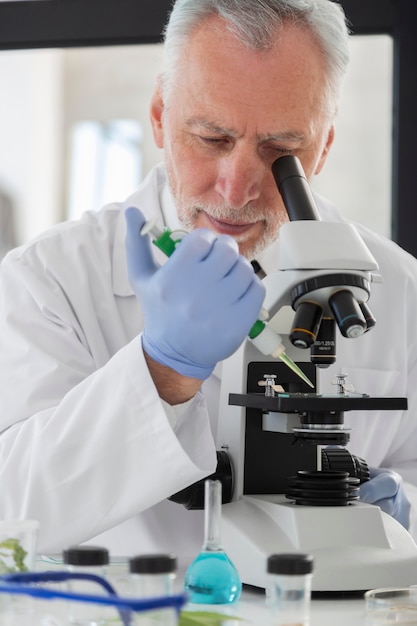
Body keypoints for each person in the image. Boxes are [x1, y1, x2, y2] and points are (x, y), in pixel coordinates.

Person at [0, 0, 416, 569]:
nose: (237, 186)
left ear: (323, 147)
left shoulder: (398, 287)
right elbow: (13, 510)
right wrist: (162, 370)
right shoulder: (50, 282)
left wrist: (401, 516)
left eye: (281, 151)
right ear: (158, 117)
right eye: (211, 137)